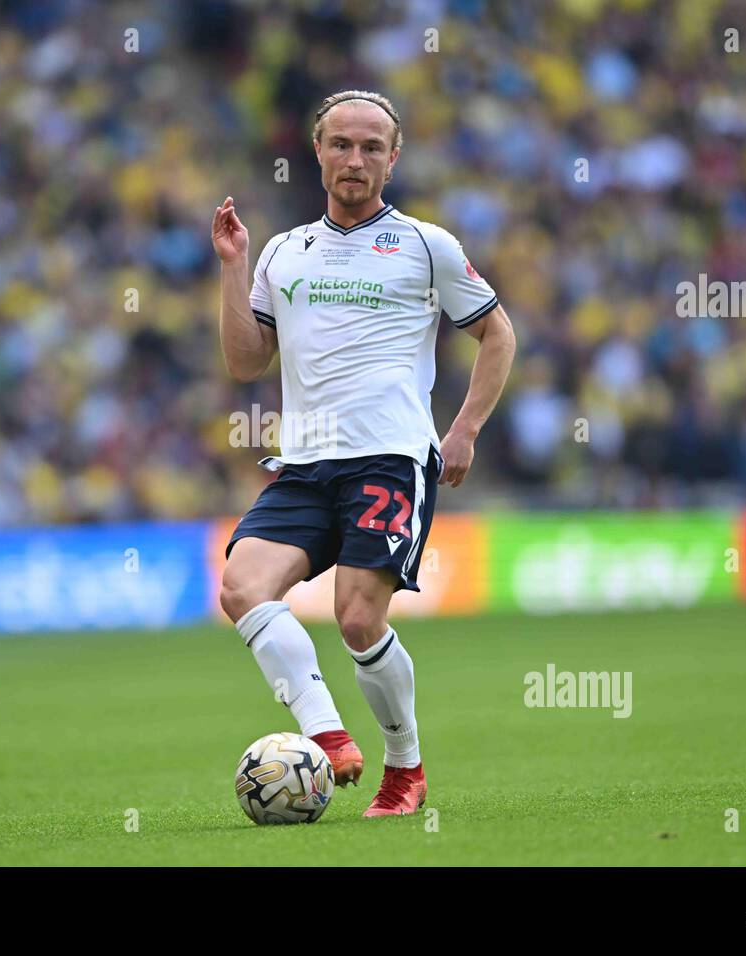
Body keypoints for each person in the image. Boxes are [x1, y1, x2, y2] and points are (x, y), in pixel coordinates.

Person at [211, 90, 517, 816]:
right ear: (316, 152)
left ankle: (404, 769)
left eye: (371, 147)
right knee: (241, 588)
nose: (355, 158)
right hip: (305, 464)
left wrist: (466, 428)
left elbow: (498, 334)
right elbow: (245, 361)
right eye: (341, 144)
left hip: (389, 458)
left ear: (393, 158)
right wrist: (233, 264)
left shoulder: (425, 245)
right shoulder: (284, 252)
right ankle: (328, 735)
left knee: (356, 619)